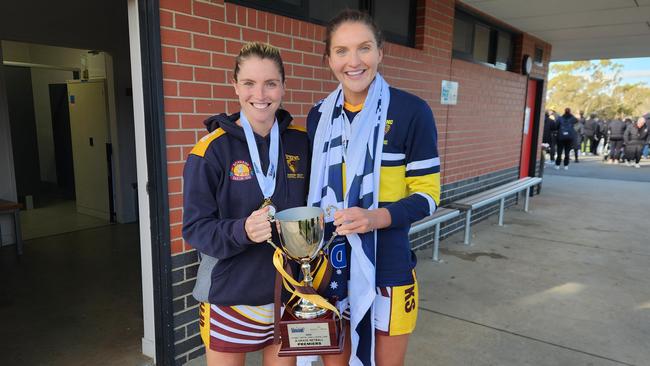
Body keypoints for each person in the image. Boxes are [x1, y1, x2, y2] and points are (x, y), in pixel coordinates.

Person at [306, 10, 440, 366]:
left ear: (381, 52)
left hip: (389, 264)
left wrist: (375, 218)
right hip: (332, 264)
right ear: (328, 59)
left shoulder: (412, 111)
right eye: (341, 51)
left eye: (364, 48)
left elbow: (428, 197)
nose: (353, 61)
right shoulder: (318, 116)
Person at [182, 42, 309, 366]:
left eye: (270, 83)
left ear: (283, 86)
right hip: (230, 296)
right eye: (250, 83)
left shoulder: (300, 141)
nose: (261, 94)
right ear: (235, 86)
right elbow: (195, 228)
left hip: (288, 294)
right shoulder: (210, 150)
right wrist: (241, 230)